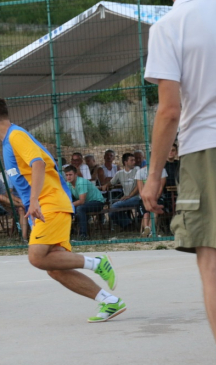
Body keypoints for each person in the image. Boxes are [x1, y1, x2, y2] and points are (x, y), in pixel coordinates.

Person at [0, 95, 125, 323]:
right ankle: (109, 301)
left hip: (50, 202)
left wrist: (35, 200)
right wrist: (28, 202)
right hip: (43, 205)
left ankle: (98, 263)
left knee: (36, 258)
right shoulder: (8, 143)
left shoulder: (15, 136)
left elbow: (37, 163)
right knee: (54, 267)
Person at [143, 0, 216, 342]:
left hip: (206, 148)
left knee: (212, 261)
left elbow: (170, 109)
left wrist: (154, 174)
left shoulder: (170, 25)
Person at [64, 165, 106, 240]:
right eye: (66, 175)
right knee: (67, 210)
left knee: (80, 208)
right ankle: (70, 231)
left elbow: (81, 201)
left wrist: (68, 205)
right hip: (86, 203)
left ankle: (83, 234)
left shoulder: (81, 182)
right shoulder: (68, 184)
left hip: (97, 202)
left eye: (70, 175)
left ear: (76, 174)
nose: (68, 177)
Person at [102, 153, 140, 230]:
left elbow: (138, 186)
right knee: (112, 211)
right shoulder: (119, 173)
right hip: (126, 198)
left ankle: (129, 225)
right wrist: (106, 185)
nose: (134, 162)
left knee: (114, 207)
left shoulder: (137, 170)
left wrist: (129, 196)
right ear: (125, 162)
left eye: (134, 160)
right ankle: (128, 224)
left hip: (137, 197)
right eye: (131, 160)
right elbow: (112, 182)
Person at [135, 165, 167, 238]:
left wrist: (154, 199)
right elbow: (141, 190)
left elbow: (160, 188)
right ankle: (149, 230)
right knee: (146, 212)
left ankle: (148, 230)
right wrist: (147, 199)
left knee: (154, 210)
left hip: (157, 197)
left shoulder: (162, 170)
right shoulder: (140, 172)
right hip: (144, 198)